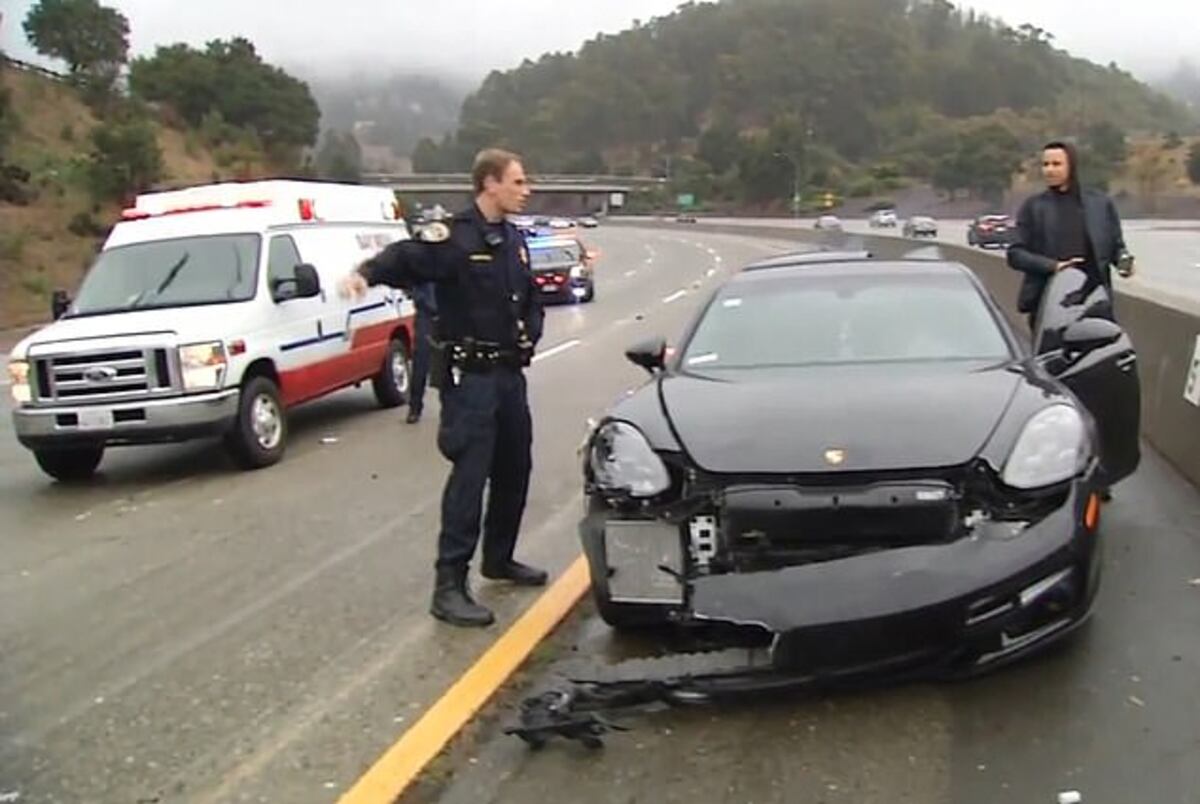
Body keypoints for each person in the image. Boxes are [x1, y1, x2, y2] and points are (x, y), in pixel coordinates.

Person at [339, 149, 547, 627]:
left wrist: (530, 335)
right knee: (470, 480)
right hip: (471, 380)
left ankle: (500, 557)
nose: (526, 188)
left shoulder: (514, 239)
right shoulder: (454, 238)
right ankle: (448, 585)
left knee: (516, 469)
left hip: (509, 377)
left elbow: (530, 299)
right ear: (490, 184)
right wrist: (365, 275)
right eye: (518, 181)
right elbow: (406, 258)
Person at [1007, 140, 1135, 334]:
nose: (1049, 170)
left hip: (1095, 302)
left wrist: (1124, 262)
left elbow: (1115, 246)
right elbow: (1015, 254)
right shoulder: (1033, 207)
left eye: (1056, 164)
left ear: (1071, 166)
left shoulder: (1100, 204)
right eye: (1045, 164)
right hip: (1049, 303)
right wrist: (1053, 266)